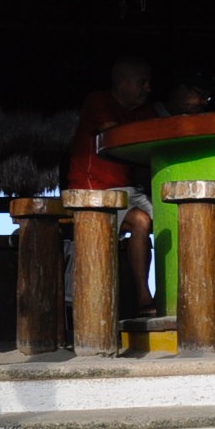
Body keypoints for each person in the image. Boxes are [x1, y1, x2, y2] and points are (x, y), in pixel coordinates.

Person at [63, 56, 157, 317]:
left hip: (130, 190)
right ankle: (143, 297)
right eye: (142, 82)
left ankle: (168, 293)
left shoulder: (144, 110)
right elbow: (115, 135)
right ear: (123, 82)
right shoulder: (99, 101)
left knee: (172, 219)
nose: (148, 88)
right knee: (140, 222)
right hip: (94, 192)